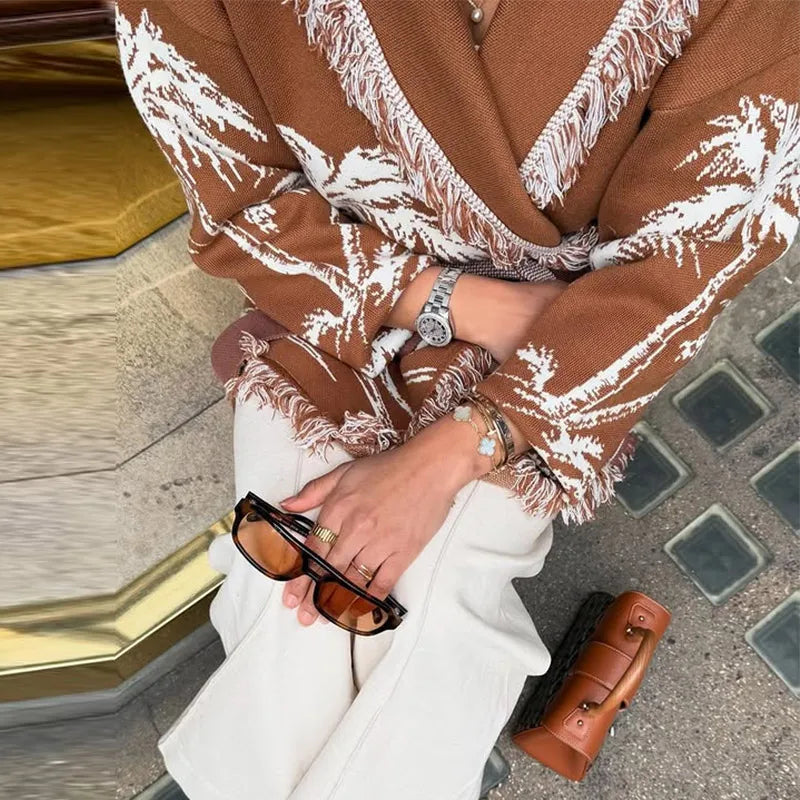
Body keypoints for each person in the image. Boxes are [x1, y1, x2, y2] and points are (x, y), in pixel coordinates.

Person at [115, 1, 799, 798]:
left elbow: (685, 265)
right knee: (338, 610)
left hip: (559, 348)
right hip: (343, 306)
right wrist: (462, 305)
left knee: (372, 610)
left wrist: (449, 454)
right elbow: (233, 204)